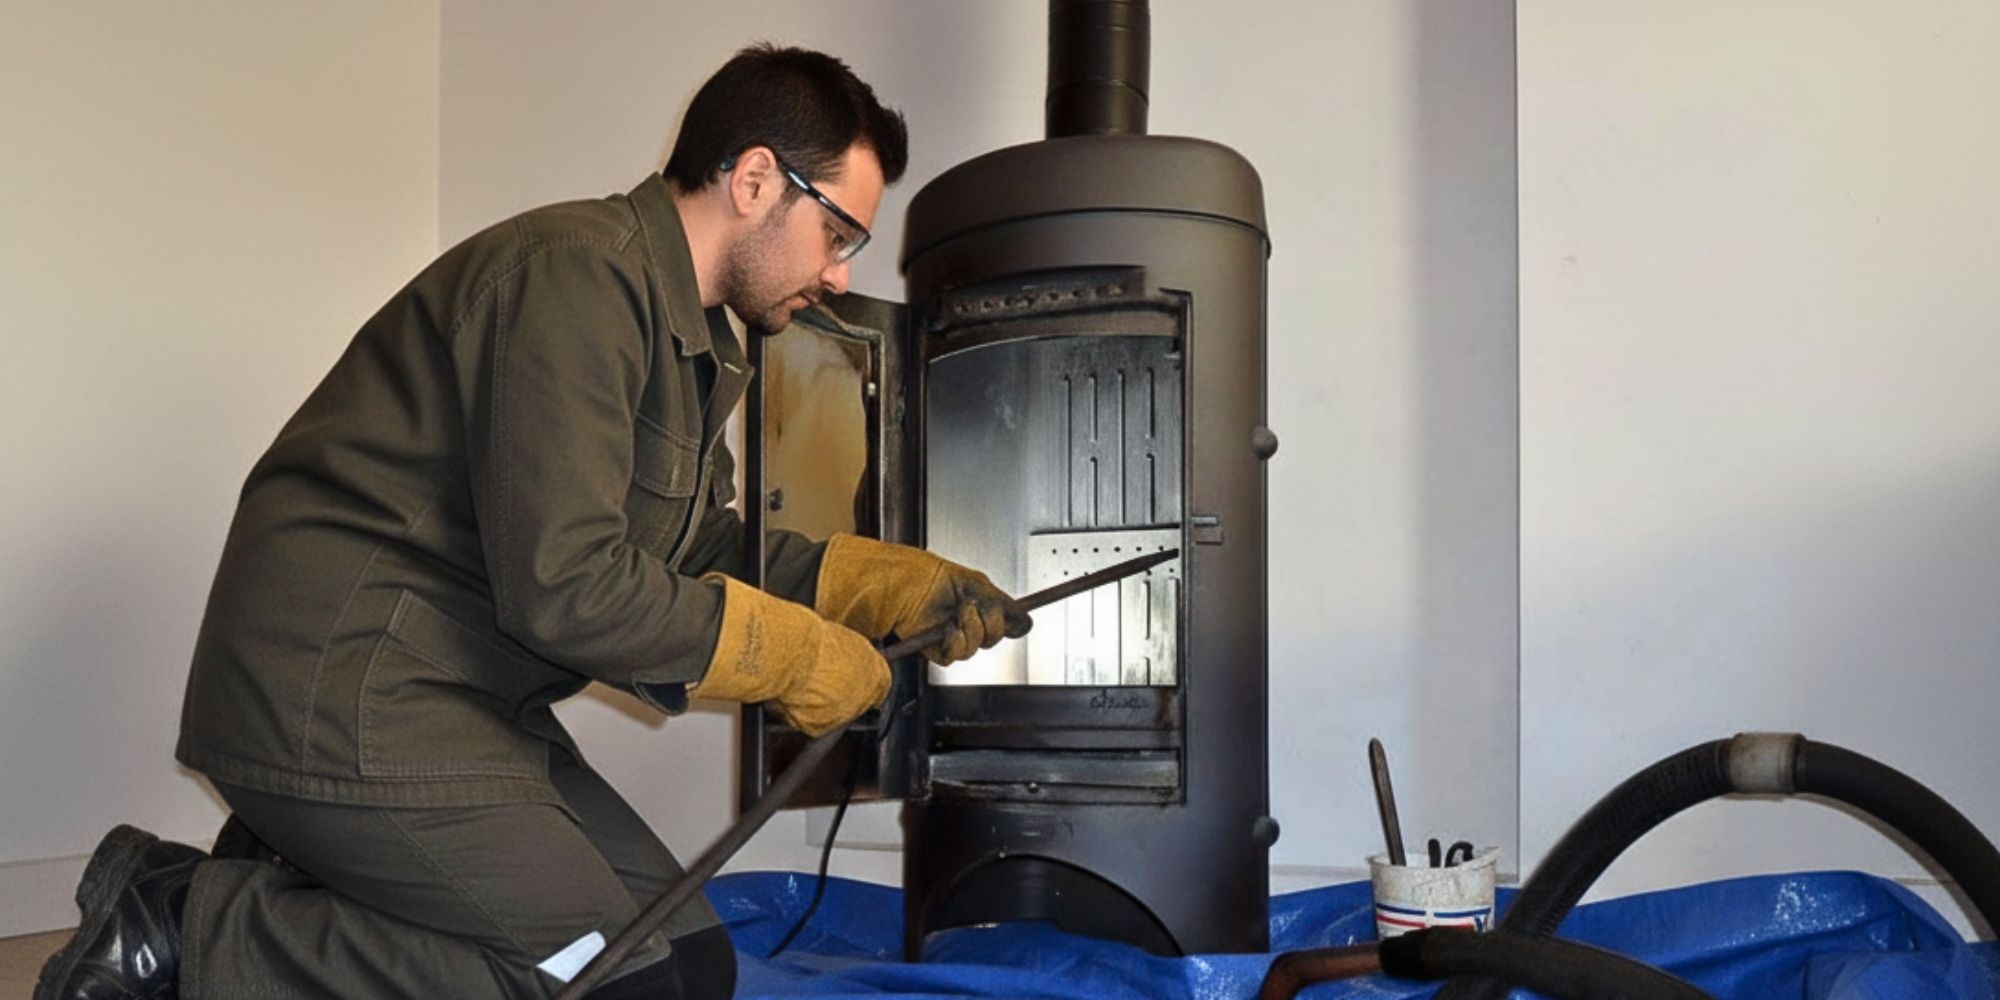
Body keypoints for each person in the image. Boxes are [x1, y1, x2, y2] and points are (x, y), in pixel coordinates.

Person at [37, 43, 1027, 1000]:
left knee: (690, 966)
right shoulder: (576, 277)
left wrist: (872, 584)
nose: (843, 273)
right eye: (841, 232)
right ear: (756, 181)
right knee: (609, 979)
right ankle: (178, 915)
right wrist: (796, 657)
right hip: (344, 688)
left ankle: (310, 881)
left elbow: (694, 551)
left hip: (463, 702)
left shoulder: (691, 348)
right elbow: (568, 583)